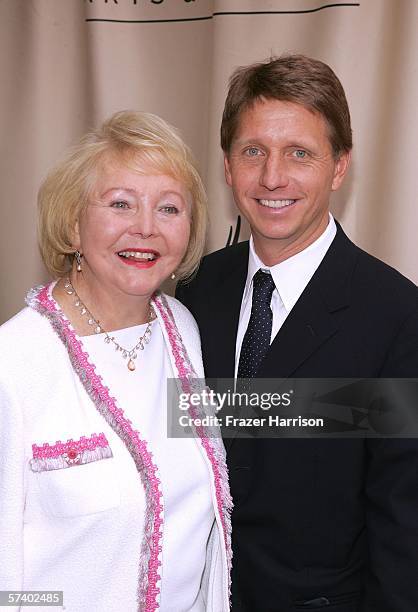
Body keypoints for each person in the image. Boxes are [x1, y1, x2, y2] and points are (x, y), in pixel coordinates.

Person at [176, 55, 418, 611]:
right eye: (253, 151)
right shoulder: (193, 290)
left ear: (339, 168)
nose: (272, 177)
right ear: (228, 165)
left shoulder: (396, 317)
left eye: (300, 154)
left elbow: (403, 527)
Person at [0, 110, 232, 612]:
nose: (145, 228)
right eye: (121, 204)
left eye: (169, 209)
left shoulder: (181, 331)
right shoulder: (15, 365)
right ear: (72, 225)